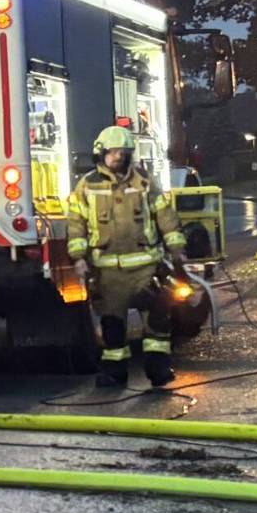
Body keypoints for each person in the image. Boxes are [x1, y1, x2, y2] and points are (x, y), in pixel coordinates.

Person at [66, 124, 187, 389]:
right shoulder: (87, 185)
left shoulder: (143, 182)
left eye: (123, 153)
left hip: (146, 266)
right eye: (113, 152)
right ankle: (114, 374)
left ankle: (159, 371)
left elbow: (164, 214)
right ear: (101, 153)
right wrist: (78, 257)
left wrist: (176, 247)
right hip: (109, 271)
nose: (118, 157)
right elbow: (76, 223)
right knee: (112, 326)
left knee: (157, 321)